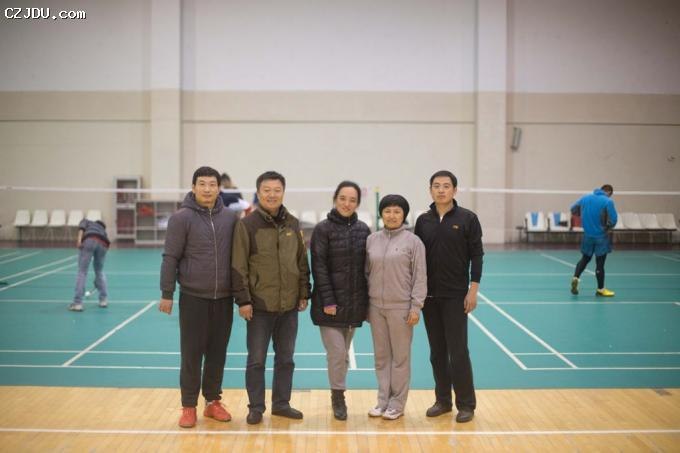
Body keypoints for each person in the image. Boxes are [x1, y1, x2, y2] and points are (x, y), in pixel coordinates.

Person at [159, 166, 239, 429]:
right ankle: (189, 406)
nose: (207, 189)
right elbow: (170, 257)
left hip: (223, 298)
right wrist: (167, 293)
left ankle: (212, 402)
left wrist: (241, 295)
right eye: (202, 184)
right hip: (193, 297)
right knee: (191, 354)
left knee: (217, 353)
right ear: (193, 187)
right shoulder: (181, 218)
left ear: (219, 188)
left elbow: (238, 259)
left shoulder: (231, 218)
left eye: (212, 184)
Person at [231, 170, 311, 425]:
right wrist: (244, 300)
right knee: (256, 361)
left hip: (289, 306)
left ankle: (281, 404)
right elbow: (238, 266)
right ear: (258, 192)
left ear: (283, 193)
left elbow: (301, 261)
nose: (272, 195)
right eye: (267, 190)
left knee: (286, 360)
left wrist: (303, 292)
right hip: (259, 307)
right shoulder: (247, 225)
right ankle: (256, 407)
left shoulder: (293, 224)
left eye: (277, 190)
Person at [414, 170, 483, 423]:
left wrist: (472, 290)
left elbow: (477, 255)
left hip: (456, 296)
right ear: (430, 190)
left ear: (455, 190)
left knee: (458, 351)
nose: (441, 190)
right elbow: (416, 258)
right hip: (429, 297)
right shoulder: (423, 221)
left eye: (446, 186)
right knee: (437, 352)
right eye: (436, 186)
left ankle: (466, 404)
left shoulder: (468, 218)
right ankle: (443, 401)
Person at [310, 181, 371, 421]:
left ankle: (338, 389)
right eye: (343, 198)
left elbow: (366, 269)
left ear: (358, 203)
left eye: (352, 200)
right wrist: (328, 301)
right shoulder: (322, 230)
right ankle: (338, 397)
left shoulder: (364, 230)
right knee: (336, 353)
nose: (347, 203)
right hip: (329, 306)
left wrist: (366, 304)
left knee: (343, 354)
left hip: (353, 306)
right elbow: (319, 267)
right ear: (335, 199)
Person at [365, 194, 426, 420]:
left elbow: (420, 276)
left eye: (397, 211)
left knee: (400, 358)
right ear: (381, 214)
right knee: (381, 357)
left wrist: (415, 307)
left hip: (401, 309)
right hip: (376, 307)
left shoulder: (414, 242)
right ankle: (383, 401)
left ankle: (397, 404)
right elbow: (366, 273)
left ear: (404, 215)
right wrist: (367, 305)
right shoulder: (372, 240)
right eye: (387, 211)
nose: (392, 215)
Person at [570, 184, 618, 297]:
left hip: (587, 235)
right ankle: (600, 289)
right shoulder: (608, 201)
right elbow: (614, 219)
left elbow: (573, 209)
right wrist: (607, 227)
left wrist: (583, 215)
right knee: (600, 263)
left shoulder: (585, 198)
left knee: (585, 259)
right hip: (601, 236)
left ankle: (575, 278)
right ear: (608, 192)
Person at [68, 219, 110, 312]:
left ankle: (77, 303)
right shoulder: (103, 231)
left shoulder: (87, 221)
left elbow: (81, 229)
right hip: (103, 243)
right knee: (99, 272)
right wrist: (97, 280)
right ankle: (103, 300)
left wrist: (79, 240)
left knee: (82, 271)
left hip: (89, 240)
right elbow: (106, 246)